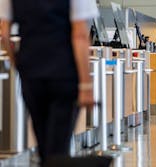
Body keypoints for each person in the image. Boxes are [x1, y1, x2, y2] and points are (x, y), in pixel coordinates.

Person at [0, 0, 99, 165]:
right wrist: (86, 84)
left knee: (43, 144)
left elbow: (4, 32)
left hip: (32, 73)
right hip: (64, 74)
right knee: (58, 148)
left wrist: (16, 62)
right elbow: (80, 35)